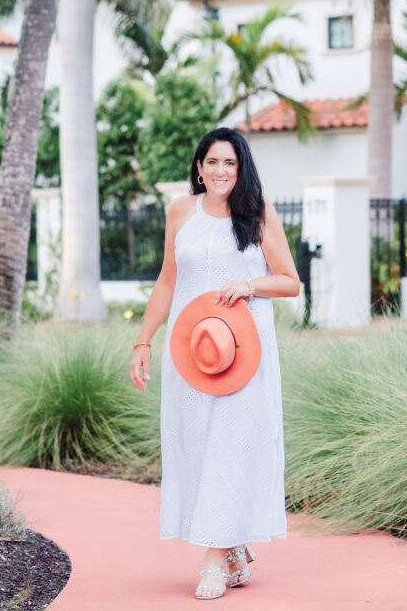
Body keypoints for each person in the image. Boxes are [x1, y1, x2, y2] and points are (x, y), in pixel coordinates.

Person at [129, 126, 300, 599]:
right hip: (192, 352)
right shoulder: (181, 210)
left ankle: (212, 560)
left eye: (231, 163)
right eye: (213, 162)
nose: (221, 171)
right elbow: (167, 281)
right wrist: (144, 341)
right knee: (199, 447)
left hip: (244, 355)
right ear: (199, 168)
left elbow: (290, 281)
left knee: (230, 446)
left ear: (241, 169)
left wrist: (249, 284)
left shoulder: (258, 214)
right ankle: (235, 548)